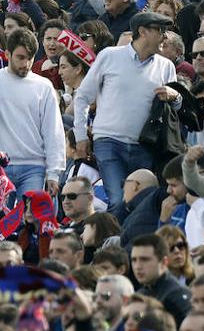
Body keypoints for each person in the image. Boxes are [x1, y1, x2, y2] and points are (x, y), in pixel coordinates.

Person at [73, 12, 178, 209]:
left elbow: (174, 111)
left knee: (140, 204)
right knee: (118, 201)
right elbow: (83, 97)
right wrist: (80, 136)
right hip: (109, 142)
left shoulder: (167, 66)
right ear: (143, 32)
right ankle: (113, 240)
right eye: (160, 30)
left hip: (145, 146)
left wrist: (176, 97)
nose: (165, 36)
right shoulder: (110, 56)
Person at [0, 28, 65, 196]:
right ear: (7, 54)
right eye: (20, 57)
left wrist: (54, 173)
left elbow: (53, 131)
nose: (26, 64)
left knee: (31, 221)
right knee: (0, 221)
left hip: (34, 167)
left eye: (30, 58)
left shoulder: (44, 86)